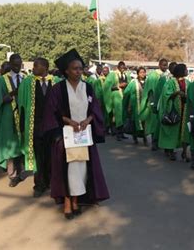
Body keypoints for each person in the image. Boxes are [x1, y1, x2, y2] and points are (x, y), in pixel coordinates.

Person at [43, 48, 109, 220]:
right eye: (74, 68)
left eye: (80, 68)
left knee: (83, 169)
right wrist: (68, 121)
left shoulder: (88, 88)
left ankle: (76, 200)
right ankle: (67, 202)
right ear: (66, 70)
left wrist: (88, 120)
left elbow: (95, 108)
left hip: (84, 135)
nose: (78, 72)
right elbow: (52, 112)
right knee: (69, 169)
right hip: (66, 136)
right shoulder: (58, 89)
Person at [18, 58, 53, 198]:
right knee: (38, 156)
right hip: (35, 125)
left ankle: (50, 182)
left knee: (50, 155)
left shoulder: (55, 81)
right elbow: (21, 104)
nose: (33, 68)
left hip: (52, 126)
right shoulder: (28, 82)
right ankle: (39, 185)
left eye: (36, 65)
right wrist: (21, 125)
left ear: (45, 67)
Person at [0, 54, 26, 187]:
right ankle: (12, 174)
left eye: (19, 64)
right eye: (15, 65)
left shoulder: (25, 78)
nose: (17, 67)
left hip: (21, 116)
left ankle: (20, 170)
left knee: (20, 144)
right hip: (7, 116)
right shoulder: (1, 80)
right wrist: (5, 99)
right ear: (10, 64)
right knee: (9, 146)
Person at [158, 63, 190, 161]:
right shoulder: (171, 82)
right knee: (172, 131)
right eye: (186, 69)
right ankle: (170, 151)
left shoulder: (188, 82)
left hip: (185, 110)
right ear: (181, 71)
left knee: (185, 131)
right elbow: (166, 95)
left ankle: (184, 153)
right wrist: (177, 93)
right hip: (174, 110)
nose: (187, 71)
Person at [142, 59, 169, 150]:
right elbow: (150, 90)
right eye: (164, 65)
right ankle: (154, 143)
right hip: (155, 102)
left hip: (163, 103)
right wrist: (153, 102)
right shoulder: (153, 75)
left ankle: (160, 142)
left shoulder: (167, 76)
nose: (165, 67)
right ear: (159, 65)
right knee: (154, 123)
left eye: (166, 65)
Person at [103, 61, 131, 141]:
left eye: (123, 67)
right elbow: (107, 86)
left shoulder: (126, 74)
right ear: (118, 67)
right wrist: (119, 86)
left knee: (123, 115)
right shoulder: (112, 74)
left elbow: (129, 84)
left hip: (124, 96)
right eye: (121, 67)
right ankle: (117, 133)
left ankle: (122, 133)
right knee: (118, 115)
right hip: (116, 97)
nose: (122, 69)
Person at [123, 67, 148, 145]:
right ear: (137, 73)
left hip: (144, 106)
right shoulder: (133, 82)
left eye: (144, 72)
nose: (143, 74)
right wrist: (128, 105)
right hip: (135, 106)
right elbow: (127, 93)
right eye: (141, 72)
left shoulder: (147, 82)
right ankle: (135, 138)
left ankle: (144, 138)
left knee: (144, 123)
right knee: (134, 123)